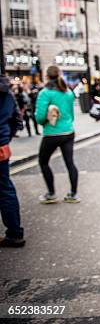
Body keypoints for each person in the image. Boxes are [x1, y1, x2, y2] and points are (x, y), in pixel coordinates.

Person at [34, 66, 79, 204]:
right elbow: (71, 114)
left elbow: (40, 117)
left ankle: (52, 193)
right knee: (70, 163)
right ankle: (73, 194)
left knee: (43, 162)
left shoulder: (45, 93)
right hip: (68, 132)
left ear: (46, 76)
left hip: (52, 133)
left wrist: (44, 121)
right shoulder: (68, 92)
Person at [0, 75, 25, 247]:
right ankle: (15, 233)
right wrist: (4, 139)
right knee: (5, 188)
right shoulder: (6, 92)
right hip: (2, 146)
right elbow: (17, 120)